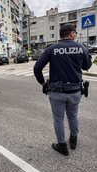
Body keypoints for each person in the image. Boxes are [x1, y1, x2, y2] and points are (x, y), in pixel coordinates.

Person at [33, 24, 92, 156]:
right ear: (71, 34)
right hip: (75, 90)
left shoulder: (51, 49)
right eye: (75, 33)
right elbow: (87, 66)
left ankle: (62, 146)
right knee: (73, 115)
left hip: (57, 91)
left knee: (58, 119)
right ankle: (74, 140)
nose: (75, 35)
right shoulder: (81, 48)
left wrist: (43, 83)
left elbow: (37, 68)